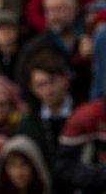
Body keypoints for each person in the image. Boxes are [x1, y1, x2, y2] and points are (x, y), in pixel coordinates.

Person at [17, 0, 93, 101]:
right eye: (49, 11)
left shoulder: (91, 36)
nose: (54, 16)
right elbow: (23, 84)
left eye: (60, 9)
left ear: (75, 10)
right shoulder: (34, 48)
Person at [14, 53, 71, 185]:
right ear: (32, 88)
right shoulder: (28, 125)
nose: (48, 89)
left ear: (65, 79)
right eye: (40, 84)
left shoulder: (85, 115)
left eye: (52, 81)